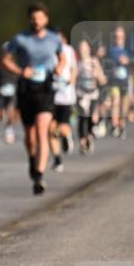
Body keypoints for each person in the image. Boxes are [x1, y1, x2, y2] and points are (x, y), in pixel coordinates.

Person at [1, 2, 65, 195]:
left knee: (41, 131)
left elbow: (62, 57)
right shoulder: (20, 39)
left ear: (46, 19)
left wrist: (59, 68)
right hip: (26, 89)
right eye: (33, 18)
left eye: (40, 18)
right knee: (30, 138)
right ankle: (32, 160)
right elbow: (5, 59)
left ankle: (39, 175)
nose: (37, 21)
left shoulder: (54, 39)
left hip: (45, 89)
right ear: (29, 19)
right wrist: (21, 71)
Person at [50, 30, 78, 172]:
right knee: (50, 130)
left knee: (62, 127)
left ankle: (67, 136)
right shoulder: (47, 50)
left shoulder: (68, 50)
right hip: (51, 96)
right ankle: (57, 160)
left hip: (65, 94)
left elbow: (74, 68)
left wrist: (71, 83)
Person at [75, 39, 105, 154]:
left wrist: (96, 74)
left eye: (84, 47)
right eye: (80, 47)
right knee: (82, 117)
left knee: (91, 117)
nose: (83, 50)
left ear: (89, 49)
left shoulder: (94, 62)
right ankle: (83, 142)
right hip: (80, 94)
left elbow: (102, 80)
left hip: (92, 94)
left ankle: (89, 137)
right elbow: (73, 77)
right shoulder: (77, 63)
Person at [106, 25, 134, 138]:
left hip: (125, 81)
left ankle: (122, 125)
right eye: (116, 36)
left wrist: (128, 61)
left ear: (123, 36)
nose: (118, 38)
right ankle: (114, 125)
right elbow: (107, 63)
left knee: (124, 105)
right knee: (115, 102)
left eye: (120, 36)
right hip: (114, 81)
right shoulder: (110, 50)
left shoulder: (128, 50)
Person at [0, 46, 20, 144]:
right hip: (1, 91)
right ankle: (7, 125)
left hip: (13, 91)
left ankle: (10, 129)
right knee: (1, 114)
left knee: (11, 111)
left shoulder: (16, 64)